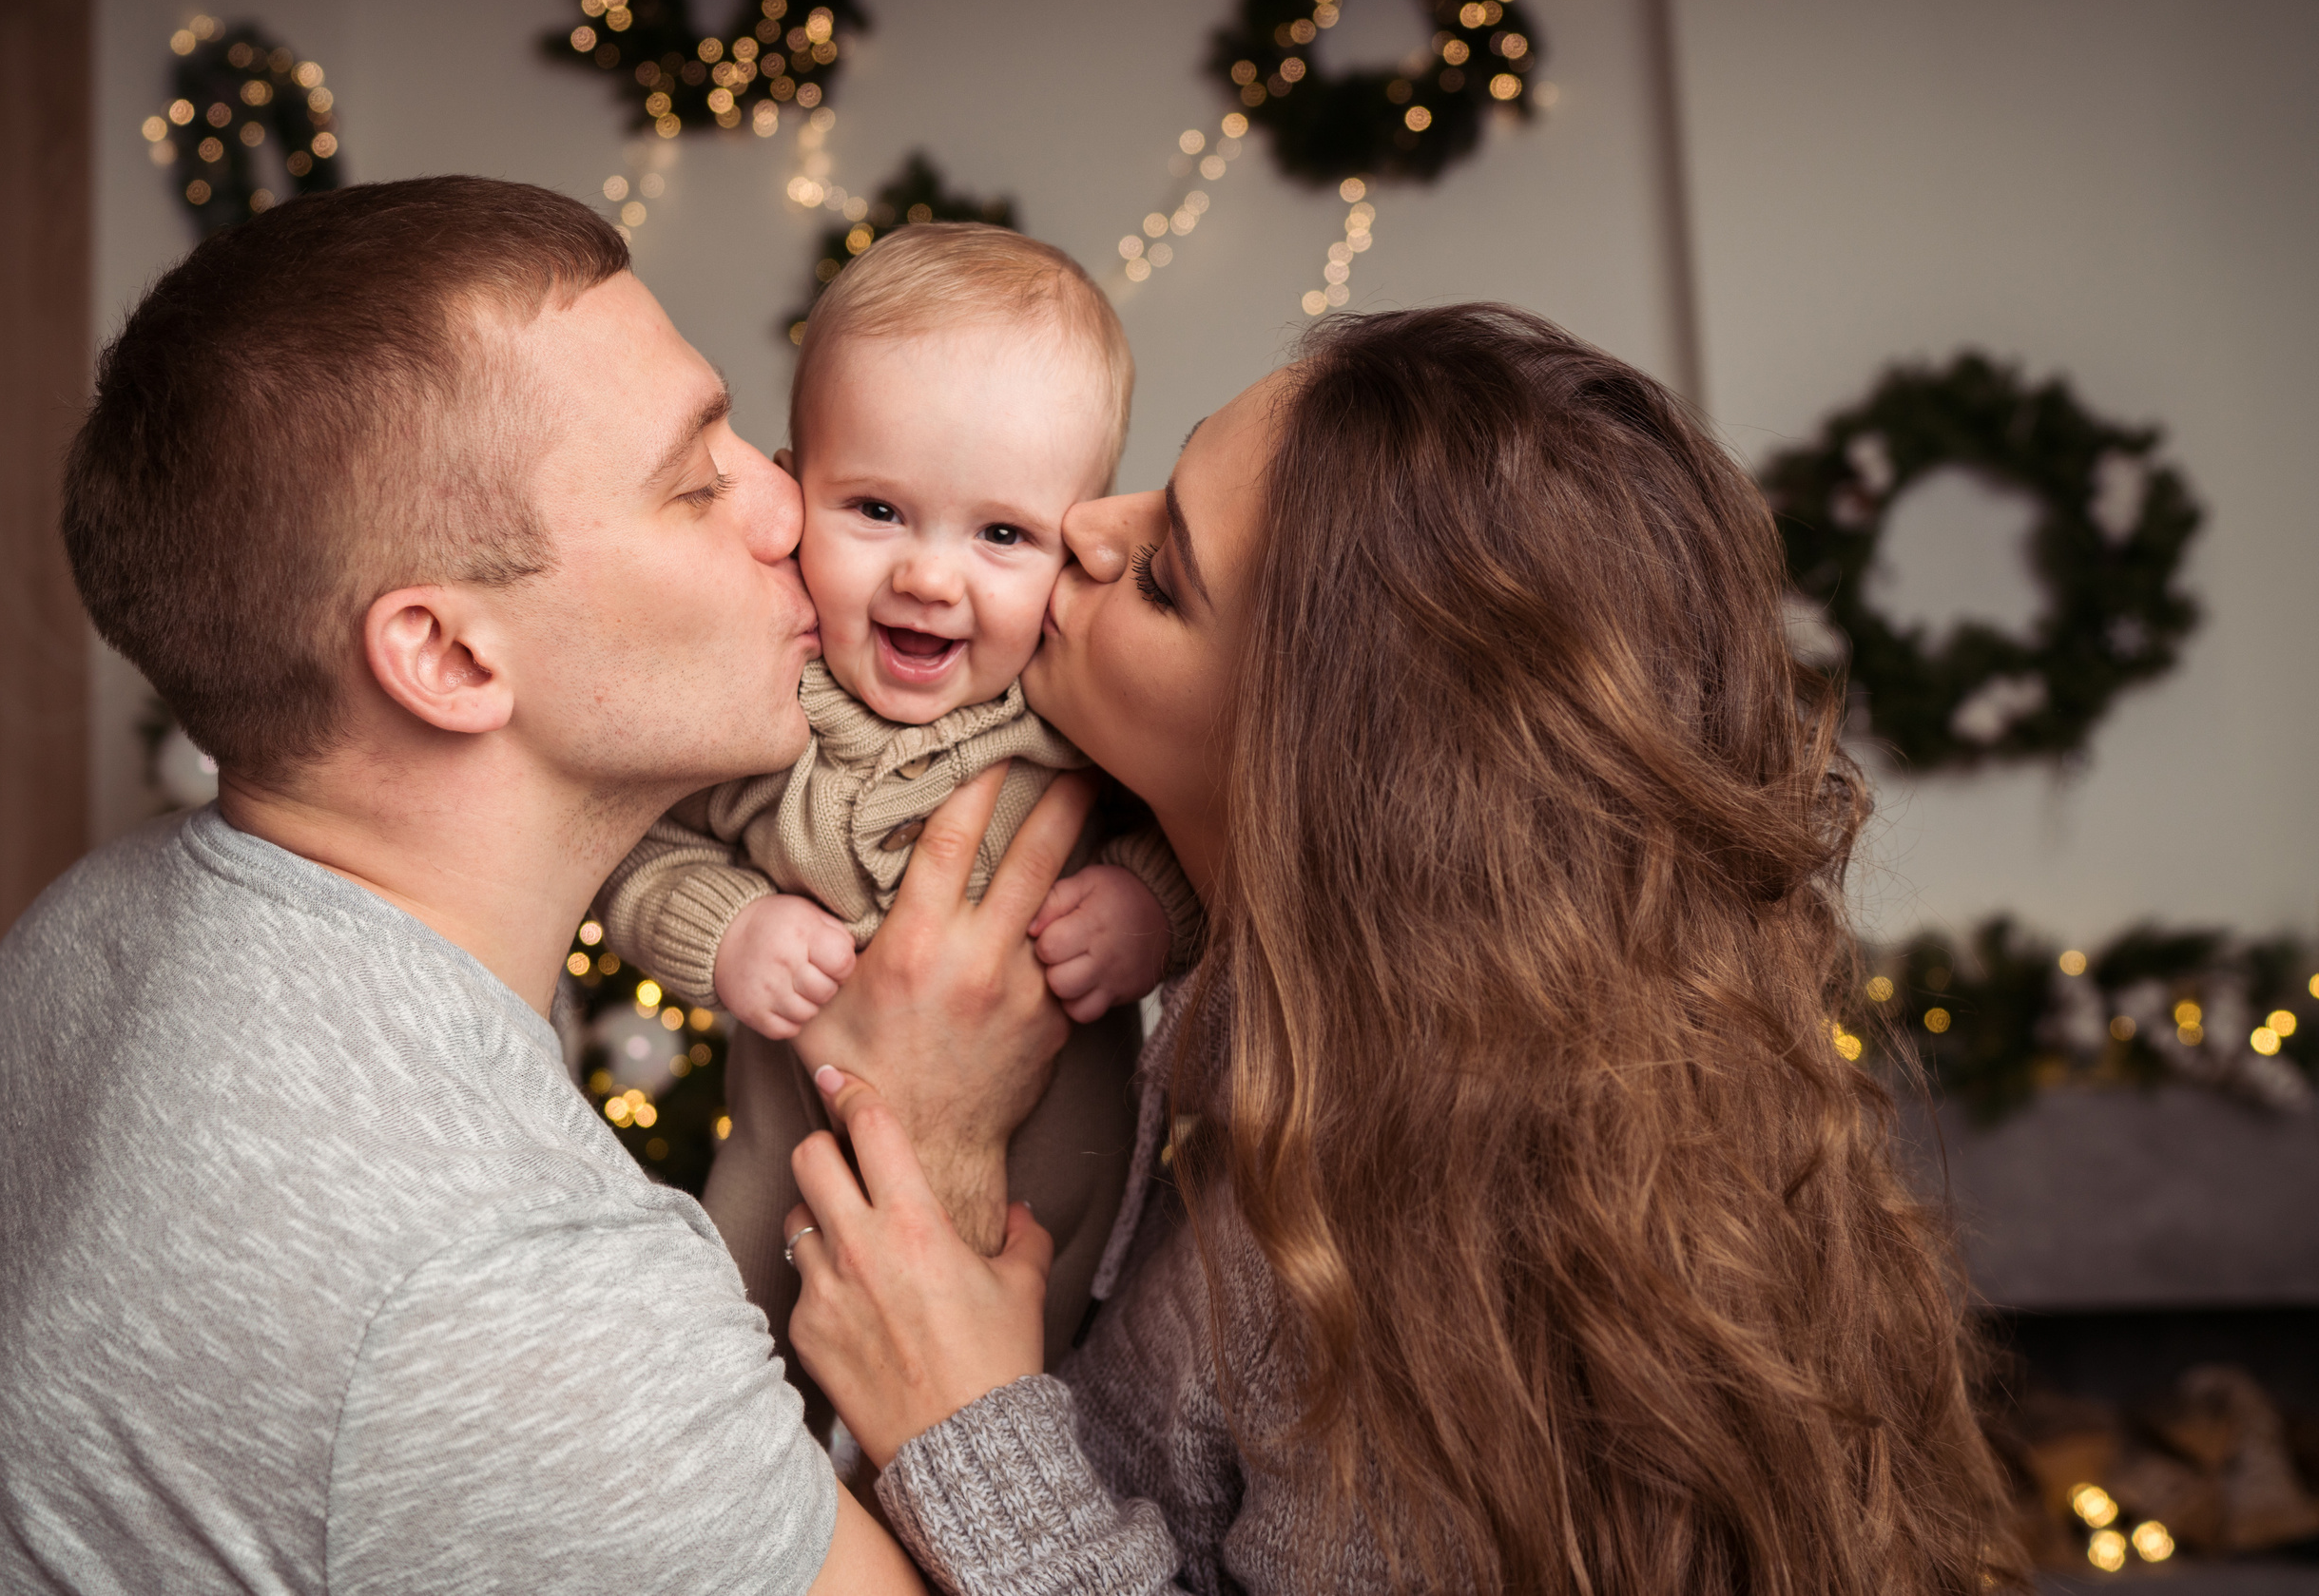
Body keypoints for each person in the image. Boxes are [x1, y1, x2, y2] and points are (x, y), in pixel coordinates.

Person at [0, 176, 1072, 1592]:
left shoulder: (99, 921)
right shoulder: (490, 1293)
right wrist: (927, 1139)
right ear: (449, 659)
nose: (789, 511)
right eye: (696, 484)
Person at [780, 306, 2030, 1593]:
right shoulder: (1299, 1074)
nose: (1087, 527)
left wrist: (966, 1426)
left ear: (1331, 755)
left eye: (1165, 577)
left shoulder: (1444, 1250)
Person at [597, 224, 1201, 1417]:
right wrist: (727, 930)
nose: (931, 577)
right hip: (791, 1174)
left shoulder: (1078, 719)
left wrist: (1146, 907)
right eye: (876, 508)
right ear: (789, 491)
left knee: (1061, 1405)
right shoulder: (765, 710)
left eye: (1001, 534)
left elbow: (1197, 838)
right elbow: (635, 848)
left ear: (1074, 545)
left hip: (1055, 1199)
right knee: (732, 1406)